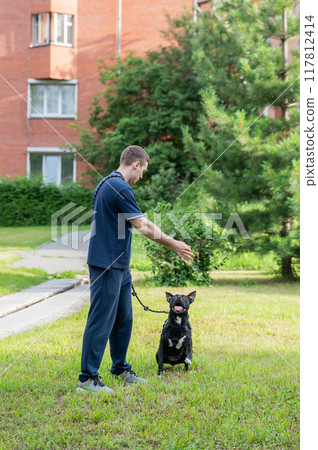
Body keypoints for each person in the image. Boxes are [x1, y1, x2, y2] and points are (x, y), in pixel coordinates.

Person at [77, 145, 195, 393]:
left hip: (118, 265)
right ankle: (87, 379)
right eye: (143, 171)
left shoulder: (105, 183)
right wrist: (174, 244)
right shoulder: (119, 186)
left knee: (123, 320)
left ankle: (120, 368)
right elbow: (142, 225)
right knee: (101, 321)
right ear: (136, 164)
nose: (142, 177)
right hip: (106, 265)